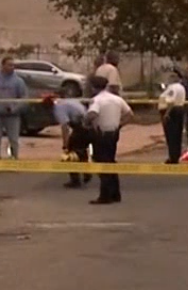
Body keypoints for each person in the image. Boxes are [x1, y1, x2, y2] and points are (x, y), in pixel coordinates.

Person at [84, 75, 133, 205]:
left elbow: (92, 114)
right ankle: (115, 193)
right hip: (114, 133)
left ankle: (105, 195)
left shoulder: (96, 100)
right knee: (111, 161)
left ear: (93, 87)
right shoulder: (117, 99)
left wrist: (86, 122)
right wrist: (120, 125)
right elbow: (130, 114)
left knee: (102, 163)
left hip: (101, 134)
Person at [43, 94, 92, 188]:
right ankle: (87, 172)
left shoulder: (58, 109)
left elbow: (65, 128)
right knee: (81, 150)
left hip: (80, 126)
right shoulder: (65, 101)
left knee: (71, 153)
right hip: (87, 124)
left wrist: (65, 145)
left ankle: (75, 180)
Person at [0, 57, 28, 160]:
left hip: (12, 116)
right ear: (3, 65)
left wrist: (14, 108)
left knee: (13, 139)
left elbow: (24, 98)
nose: (12, 67)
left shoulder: (18, 81)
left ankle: (14, 159)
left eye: (13, 65)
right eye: (9, 65)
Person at [158, 70, 186, 164]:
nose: (169, 78)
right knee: (177, 135)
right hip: (179, 110)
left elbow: (171, 101)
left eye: (171, 76)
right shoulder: (181, 87)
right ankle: (176, 156)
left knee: (171, 136)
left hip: (172, 112)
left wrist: (167, 113)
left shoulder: (172, 88)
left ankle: (172, 157)